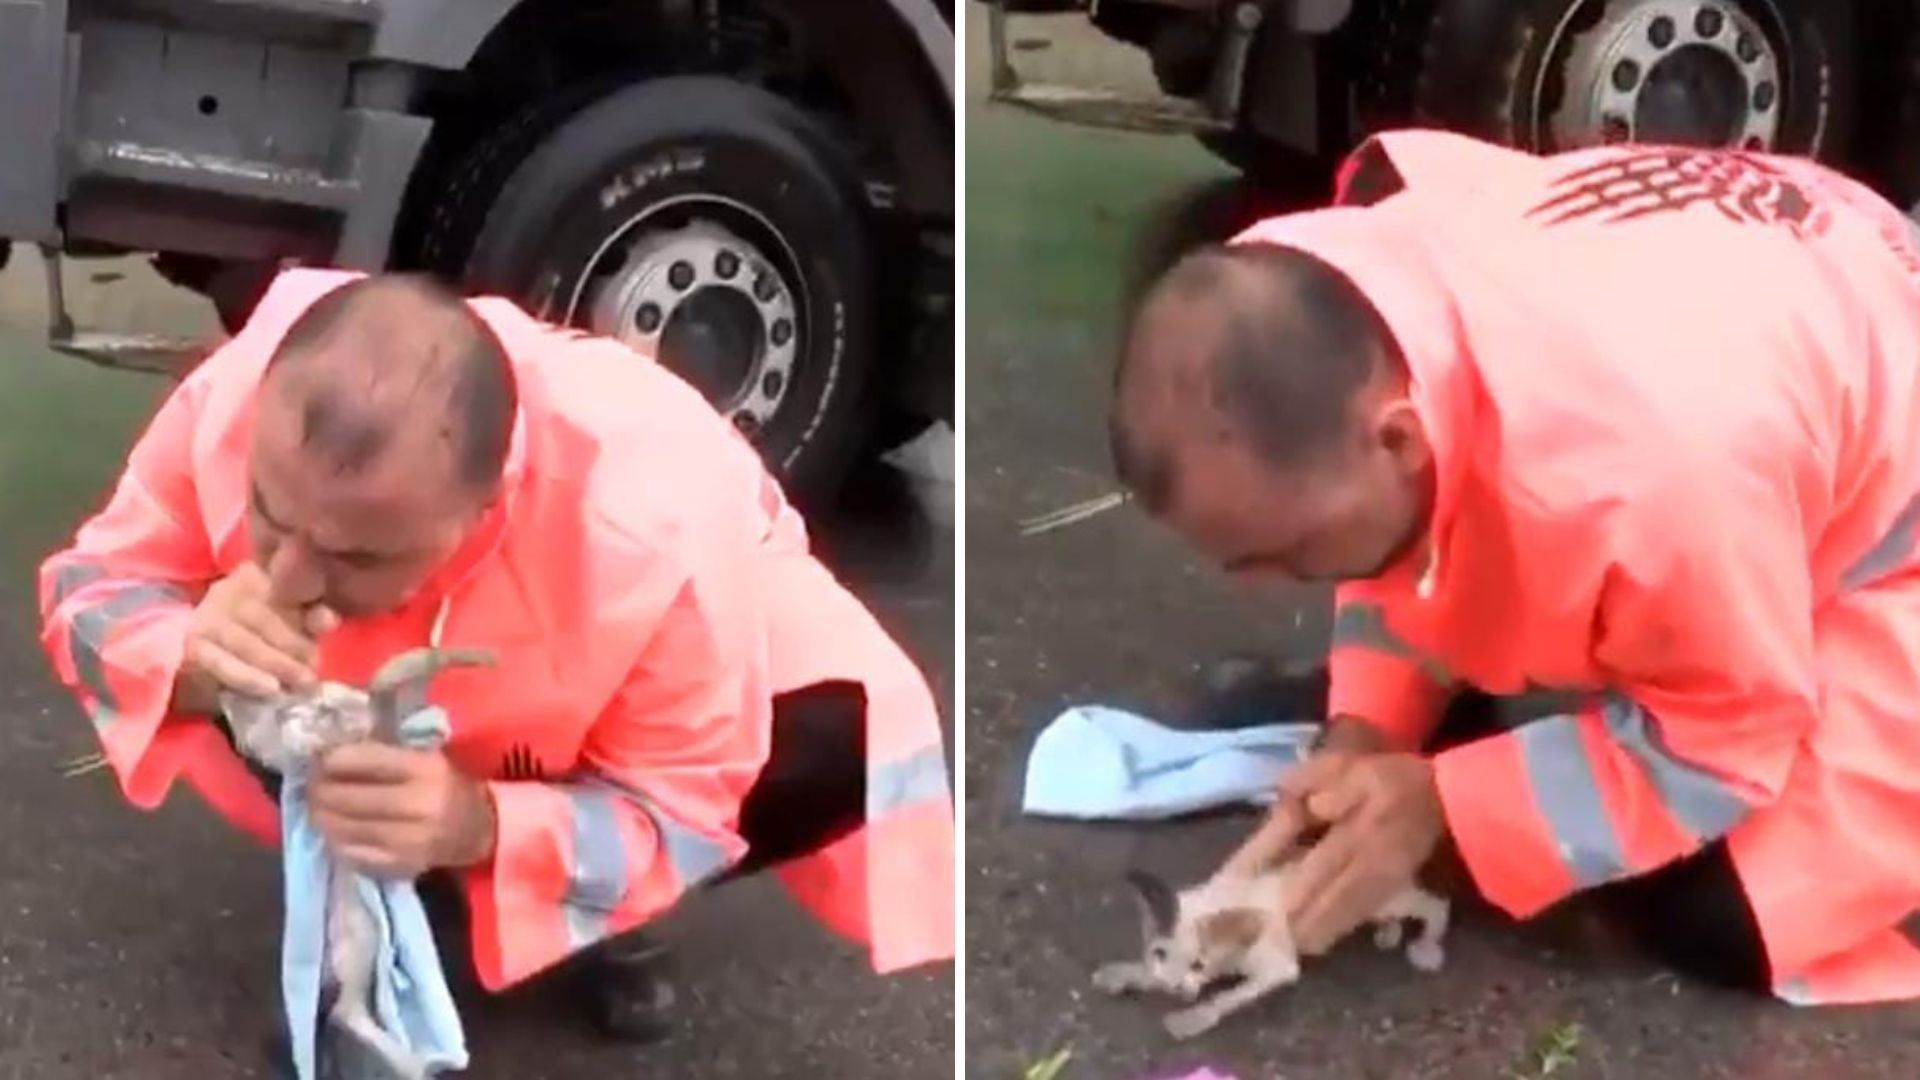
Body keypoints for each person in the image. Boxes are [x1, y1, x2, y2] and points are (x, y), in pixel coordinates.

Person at [36, 270, 954, 1057]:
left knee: (852, 731)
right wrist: (189, 654)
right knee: (242, 649)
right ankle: (415, 888)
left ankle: (557, 910)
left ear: (482, 511)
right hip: (482, 676)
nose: (289, 575)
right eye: (270, 516)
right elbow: (92, 585)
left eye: (358, 557)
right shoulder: (240, 399)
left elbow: (685, 803)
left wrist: (477, 826)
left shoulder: (651, 535)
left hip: (630, 673)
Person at [1109, 128, 1920, 1007]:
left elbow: (1728, 734)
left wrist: (1446, 809)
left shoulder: (1653, 474)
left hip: (1889, 480)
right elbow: (1416, 537)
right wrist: (1368, 727)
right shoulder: (1361, 299)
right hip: (1763, 289)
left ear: (1398, 439)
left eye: (1287, 552)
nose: (1260, 583)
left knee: (1723, 918)